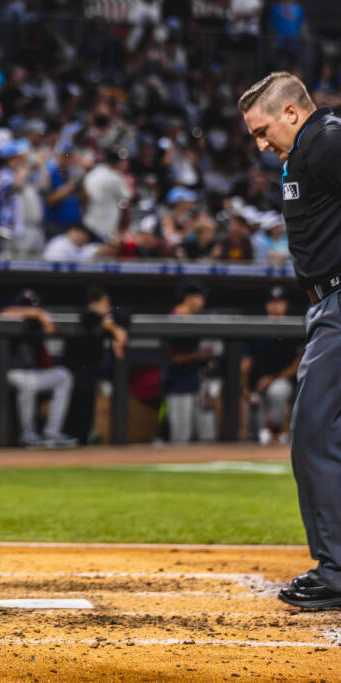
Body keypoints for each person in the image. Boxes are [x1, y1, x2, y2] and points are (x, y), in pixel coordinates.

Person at [239, 71, 341, 609]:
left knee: (314, 434)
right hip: (326, 303)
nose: (260, 144)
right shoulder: (309, 147)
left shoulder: (325, 140)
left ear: (292, 113)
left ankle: (337, 572)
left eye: (262, 131)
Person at [0, 289, 77, 448]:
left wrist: (41, 319)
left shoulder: (38, 324)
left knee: (64, 376)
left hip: (32, 373)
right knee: (29, 382)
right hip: (10, 372)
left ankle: (52, 433)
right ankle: (28, 435)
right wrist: (37, 314)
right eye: (28, 306)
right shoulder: (17, 316)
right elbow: (5, 313)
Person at [63, 286, 129, 444]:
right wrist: (111, 328)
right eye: (105, 303)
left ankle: (81, 440)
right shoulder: (84, 315)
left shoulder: (107, 319)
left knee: (86, 413)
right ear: (94, 303)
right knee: (75, 411)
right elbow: (90, 318)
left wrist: (113, 333)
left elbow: (122, 332)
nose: (108, 308)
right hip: (74, 373)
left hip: (90, 374)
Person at [241, 286, 302, 445]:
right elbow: (245, 364)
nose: (276, 307)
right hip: (256, 387)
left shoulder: (295, 325)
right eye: (272, 302)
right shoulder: (257, 327)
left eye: (280, 302)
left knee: (278, 390)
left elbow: (299, 363)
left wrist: (273, 378)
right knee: (252, 429)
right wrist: (245, 389)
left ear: (286, 305)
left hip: (282, 382)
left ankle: (277, 429)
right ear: (266, 305)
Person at [164, 281, 218, 443]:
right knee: (180, 438)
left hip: (198, 383)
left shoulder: (198, 319)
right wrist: (199, 355)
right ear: (188, 297)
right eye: (200, 297)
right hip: (178, 384)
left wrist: (205, 360)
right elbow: (172, 358)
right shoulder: (172, 319)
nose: (203, 301)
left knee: (207, 436)